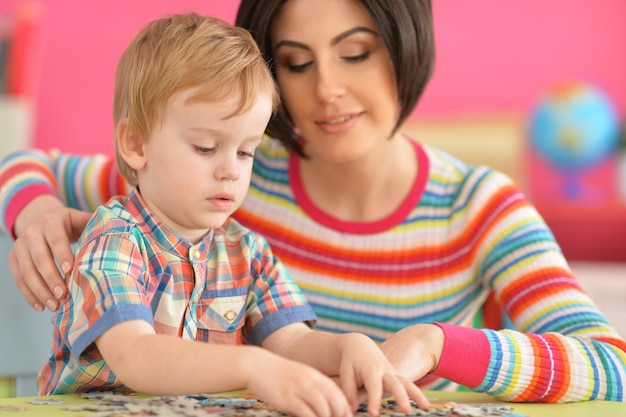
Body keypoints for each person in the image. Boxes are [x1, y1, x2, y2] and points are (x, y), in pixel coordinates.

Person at [1, 0, 625, 404]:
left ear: (406, 45)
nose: (328, 90)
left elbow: (611, 364)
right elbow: (25, 164)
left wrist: (436, 345)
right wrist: (35, 214)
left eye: (355, 53)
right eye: (296, 65)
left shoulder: (480, 207)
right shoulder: (214, 180)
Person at [25, 12, 429, 417]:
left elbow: (291, 343)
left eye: (245, 151)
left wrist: (348, 345)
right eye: (205, 147)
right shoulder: (114, 239)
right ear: (135, 144)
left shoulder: (248, 252)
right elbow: (135, 355)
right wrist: (253, 366)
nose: (230, 170)